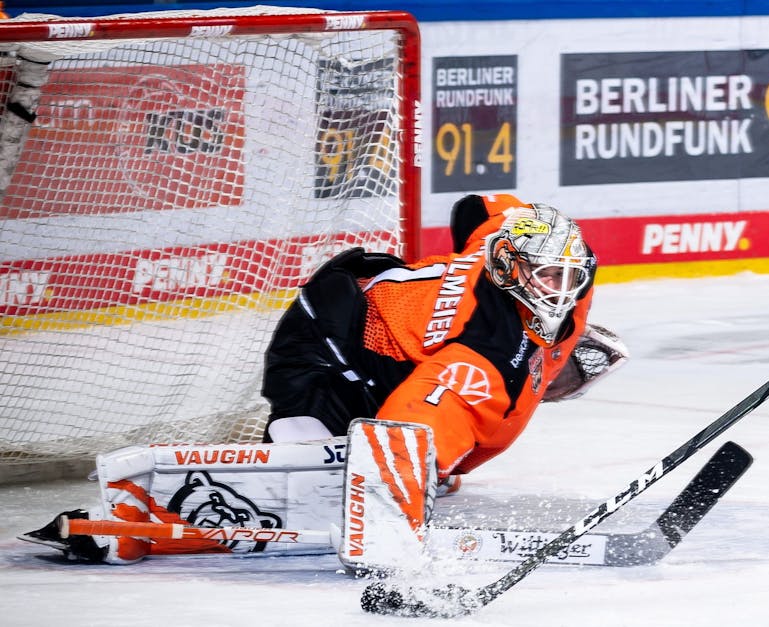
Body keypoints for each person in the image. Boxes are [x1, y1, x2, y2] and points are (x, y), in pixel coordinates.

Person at [22, 194, 629, 571]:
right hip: (326, 352)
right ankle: (127, 521)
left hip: (378, 305)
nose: (562, 290)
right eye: (548, 277)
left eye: (569, 277)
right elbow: (407, 433)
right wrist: (394, 508)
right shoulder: (478, 362)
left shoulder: (519, 247)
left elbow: (478, 208)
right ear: (513, 272)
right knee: (311, 475)